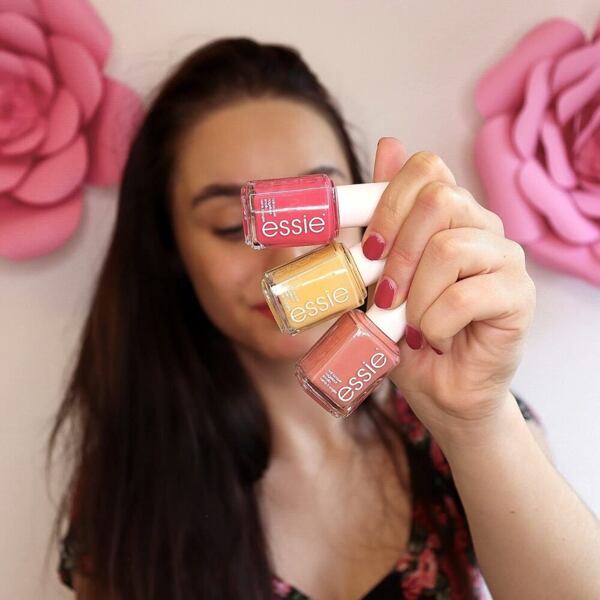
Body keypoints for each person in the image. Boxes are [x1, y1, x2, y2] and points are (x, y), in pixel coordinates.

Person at [48, 37, 600, 600]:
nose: (289, 258)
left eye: (314, 212)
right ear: (169, 248)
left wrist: (476, 422)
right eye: (233, 226)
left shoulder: (467, 423)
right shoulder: (127, 494)